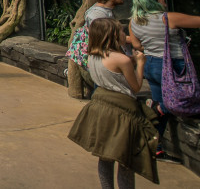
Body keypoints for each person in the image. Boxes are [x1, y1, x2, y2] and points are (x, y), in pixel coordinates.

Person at [127, 0, 200, 160]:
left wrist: (153, 44)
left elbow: (137, 45)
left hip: (151, 64)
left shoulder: (134, 22)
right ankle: (161, 108)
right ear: (152, 1)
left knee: (161, 110)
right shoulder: (168, 18)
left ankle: (154, 146)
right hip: (173, 66)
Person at [68, 18, 159, 188]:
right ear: (113, 35)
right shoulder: (121, 60)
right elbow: (136, 87)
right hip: (120, 112)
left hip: (101, 107)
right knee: (125, 159)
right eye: (122, 31)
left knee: (105, 156)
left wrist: (130, 60)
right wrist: (140, 64)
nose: (125, 34)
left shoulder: (92, 54)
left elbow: (112, 65)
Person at [72, 0, 125, 93]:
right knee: (102, 87)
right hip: (100, 56)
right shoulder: (96, 15)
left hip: (105, 55)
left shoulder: (105, 11)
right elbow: (101, 38)